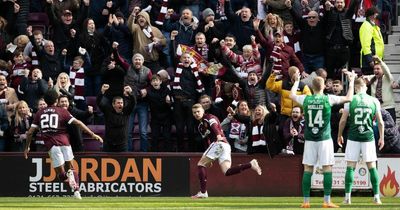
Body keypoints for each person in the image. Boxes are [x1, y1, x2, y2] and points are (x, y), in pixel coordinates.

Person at [289, 70, 355, 208]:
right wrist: (352, 80)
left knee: (308, 168)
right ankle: (326, 201)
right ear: (324, 86)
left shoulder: (306, 99)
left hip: (310, 139)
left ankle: (306, 202)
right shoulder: (328, 98)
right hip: (324, 139)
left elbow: (291, 95)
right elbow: (349, 98)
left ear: (312, 87)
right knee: (327, 169)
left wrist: (296, 81)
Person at [24, 89, 103, 199]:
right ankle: (76, 191)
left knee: (61, 176)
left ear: (46, 101)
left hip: (52, 145)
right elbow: (79, 122)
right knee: (71, 168)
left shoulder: (40, 113)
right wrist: (92, 134)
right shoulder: (62, 111)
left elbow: (30, 133)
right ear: (56, 100)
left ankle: (68, 177)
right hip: (65, 143)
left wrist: (27, 147)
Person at [191, 103, 262, 199]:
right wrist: (209, 155)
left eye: (198, 111)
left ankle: (203, 192)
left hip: (219, 143)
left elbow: (214, 126)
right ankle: (250, 164)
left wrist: (218, 135)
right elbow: (207, 139)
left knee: (200, 165)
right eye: (194, 112)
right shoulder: (200, 126)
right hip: (224, 145)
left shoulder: (208, 117)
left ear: (203, 111)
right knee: (227, 171)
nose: (196, 114)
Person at [337, 78, 384, 205]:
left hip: (353, 136)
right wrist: (382, 137)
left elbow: (343, 121)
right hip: (368, 137)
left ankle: (347, 198)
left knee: (350, 167)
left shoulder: (350, 100)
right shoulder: (374, 100)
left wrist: (339, 135)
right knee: (372, 167)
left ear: (356, 88)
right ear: (366, 87)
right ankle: (376, 197)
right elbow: (380, 121)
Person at [97, 84, 136, 152]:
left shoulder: (126, 112)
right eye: (118, 103)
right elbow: (99, 103)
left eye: (121, 103)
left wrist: (130, 93)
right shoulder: (108, 111)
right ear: (113, 104)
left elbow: (133, 103)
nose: (120, 104)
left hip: (122, 145)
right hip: (109, 145)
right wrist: (102, 92)